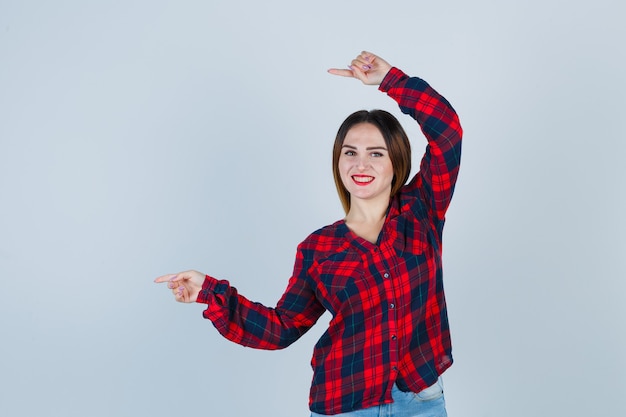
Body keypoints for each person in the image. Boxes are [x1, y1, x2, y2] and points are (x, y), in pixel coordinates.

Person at [155, 51, 463, 417]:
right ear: (338, 161)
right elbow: (282, 327)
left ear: (396, 162)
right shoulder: (319, 249)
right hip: (346, 406)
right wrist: (209, 291)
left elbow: (447, 131)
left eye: (376, 154)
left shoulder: (422, 211)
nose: (361, 164)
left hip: (421, 402)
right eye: (350, 152)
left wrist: (390, 80)